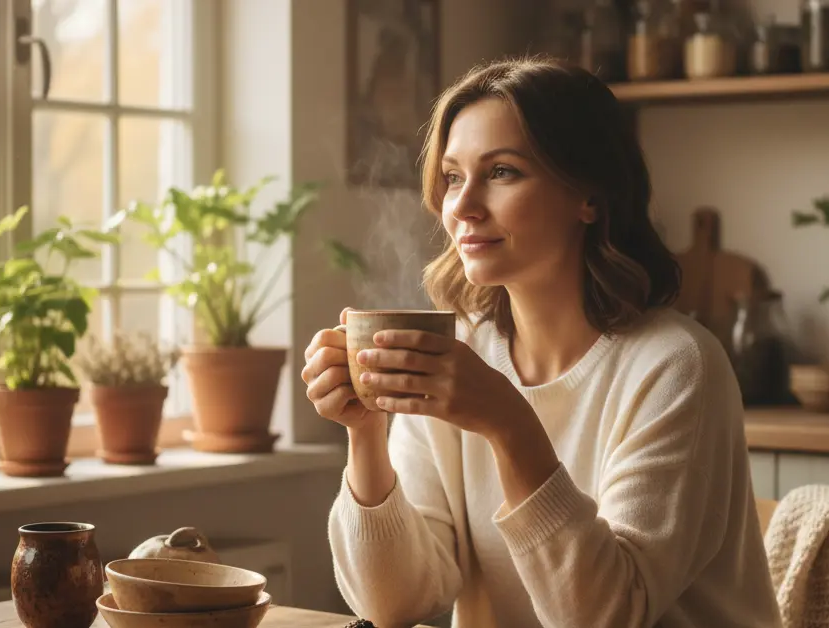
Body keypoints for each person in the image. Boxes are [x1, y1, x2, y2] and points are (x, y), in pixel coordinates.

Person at [302, 56, 780, 628]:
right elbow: (396, 604)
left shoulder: (676, 366)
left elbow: (607, 616)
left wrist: (509, 425)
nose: (462, 206)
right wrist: (366, 434)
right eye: (453, 176)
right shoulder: (463, 357)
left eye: (502, 172)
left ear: (590, 197)